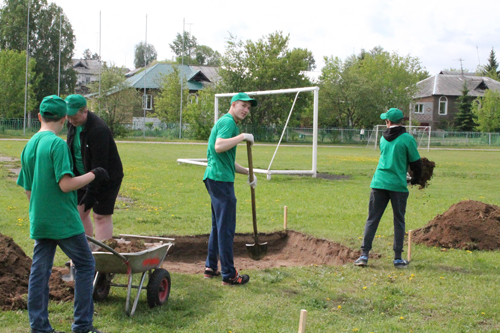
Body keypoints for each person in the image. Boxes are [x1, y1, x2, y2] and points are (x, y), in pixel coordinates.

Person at [17, 95, 108, 333]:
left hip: (40, 218)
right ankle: (83, 325)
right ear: (64, 118)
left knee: (40, 271)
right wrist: (94, 174)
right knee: (86, 264)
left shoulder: (29, 144)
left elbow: (28, 189)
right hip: (64, 220)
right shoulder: (56, 144)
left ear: (39, 117)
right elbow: (66, 185)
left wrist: (39, 211)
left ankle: (39, 327)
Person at [354, 108, 422, 268]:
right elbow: (416, 164)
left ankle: (364, 255)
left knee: (372, 219)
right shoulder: (407, 139)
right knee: (399, 220)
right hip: (398, 185)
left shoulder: (383, 139)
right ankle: (398, 258)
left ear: (388, 122)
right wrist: (415, 180)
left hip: (378, 183)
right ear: (401, 121)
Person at [203, 92, 258, 286]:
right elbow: (219, 146)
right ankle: (229, 274)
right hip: (220, 180)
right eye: (243, 105)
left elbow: (227, 160)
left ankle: (211, 267)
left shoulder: (227, 123)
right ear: (233, 105)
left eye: (248, 108)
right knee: (226, 228)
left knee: (218, 226)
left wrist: (249, 173)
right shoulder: (228, 123)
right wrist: (242, 136)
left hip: (215, 177)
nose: (246, 110)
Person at [65, 94, 123, 242]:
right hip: (83, 176)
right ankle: (85, 256)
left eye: (74, 117)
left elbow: (100, 167)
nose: (71, 121)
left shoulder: (98, 130)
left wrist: (91, 192)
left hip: (106, 177)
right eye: (68, 117)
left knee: (100, 215)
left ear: (85, 111)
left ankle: (102, 258)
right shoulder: (72, 124)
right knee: (80, 214)